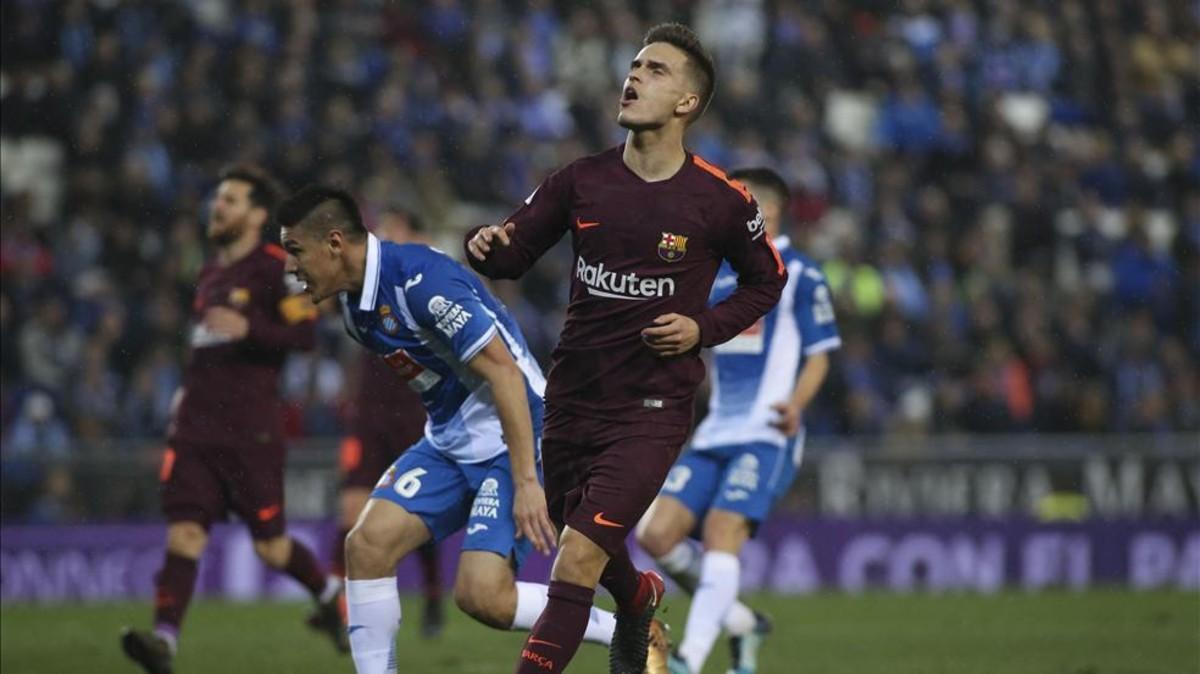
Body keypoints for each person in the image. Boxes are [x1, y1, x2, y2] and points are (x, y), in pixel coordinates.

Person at [465, 23, 787, 674]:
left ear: (686, 104)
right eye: (636, 65)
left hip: (650, 409)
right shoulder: (580, 181)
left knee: (577, 555)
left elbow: (767, 280)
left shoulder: (720, 201)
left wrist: (704, 329)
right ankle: (639, 598)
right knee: (580, 536)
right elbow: (514, 253)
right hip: (573, 400)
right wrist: (486, 244)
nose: (634, 76)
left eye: (656, 70)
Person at [278, 185, 663, 674]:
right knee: (366, 545)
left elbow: (504, 373)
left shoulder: (421, 282)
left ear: (334, 243)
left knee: (482, 596)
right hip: (449, 439)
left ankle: (631, 631)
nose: (292, 268)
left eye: (295, 251)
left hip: (516, 434)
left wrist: (526, 481)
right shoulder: (355, 308)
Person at [121, 165, 342, 674]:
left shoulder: (276, 268)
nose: (217, 207)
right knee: (185, 534)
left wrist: (251, 326)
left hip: (250, 432)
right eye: (218, 198)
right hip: (195, 427)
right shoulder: (210, 272)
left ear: (257, 214)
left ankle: (330, 594)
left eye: (230, 200)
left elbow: (305, 336)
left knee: (270, 547)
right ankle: (164, 642)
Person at [636, 168, 842, 674]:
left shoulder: (800, 272)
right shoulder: (721, 276)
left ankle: (687, 659)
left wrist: (796, 403)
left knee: (723, 532)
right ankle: (743, 622)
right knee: (655, 535)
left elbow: (819, 354)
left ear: (766, 210)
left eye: (737, 202)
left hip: (768, 432)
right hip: (715, 432)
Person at [330, 207, 445, 638]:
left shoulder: (432, 284)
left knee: (419, 519)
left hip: (416, 413)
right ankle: (342, 609)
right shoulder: (365, 281)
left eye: (394, 229)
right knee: (350, 514)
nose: (383, 237)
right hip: (368, 415)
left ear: (416, 235)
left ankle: (433, 595)